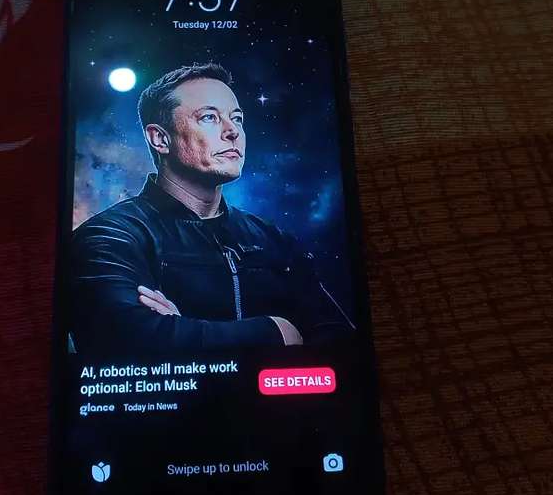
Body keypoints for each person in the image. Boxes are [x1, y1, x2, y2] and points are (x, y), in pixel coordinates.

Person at [69, 62, 354, 353]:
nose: (232, 132)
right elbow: (127, 342)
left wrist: (184, 330)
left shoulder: (271, 238)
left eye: (237, 118)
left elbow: (340, 343)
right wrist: (276, 330)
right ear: (160, 139)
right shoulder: (109, 237)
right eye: (209, 117)